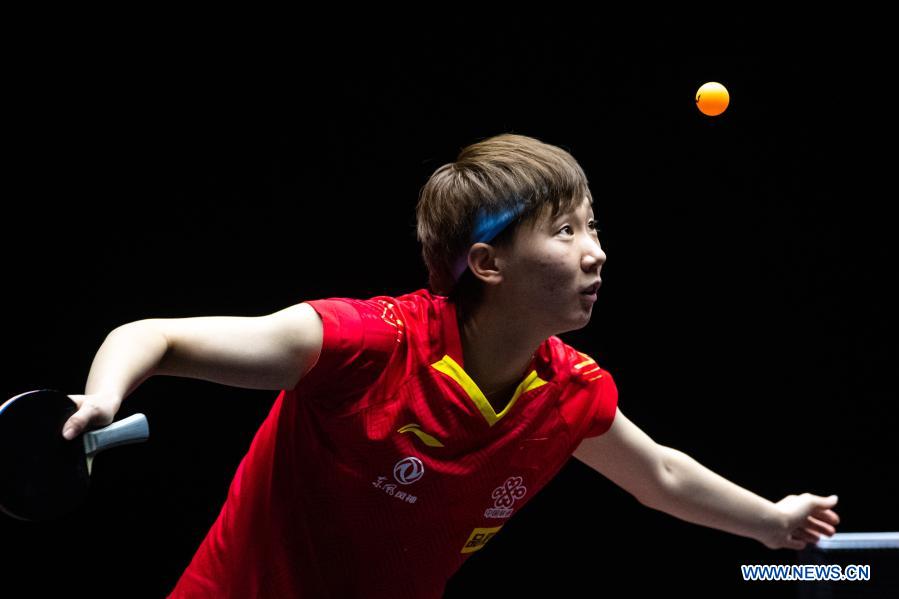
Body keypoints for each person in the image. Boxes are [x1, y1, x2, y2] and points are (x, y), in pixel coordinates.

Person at [61, 133, 840, 598]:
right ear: (486, 262)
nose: (595, 251)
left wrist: (770, 521)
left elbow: (659, 474)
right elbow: (156, 336)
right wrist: (103, 397)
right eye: (564, 230)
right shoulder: (366, 345)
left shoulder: (567, 393)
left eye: (593, 226)